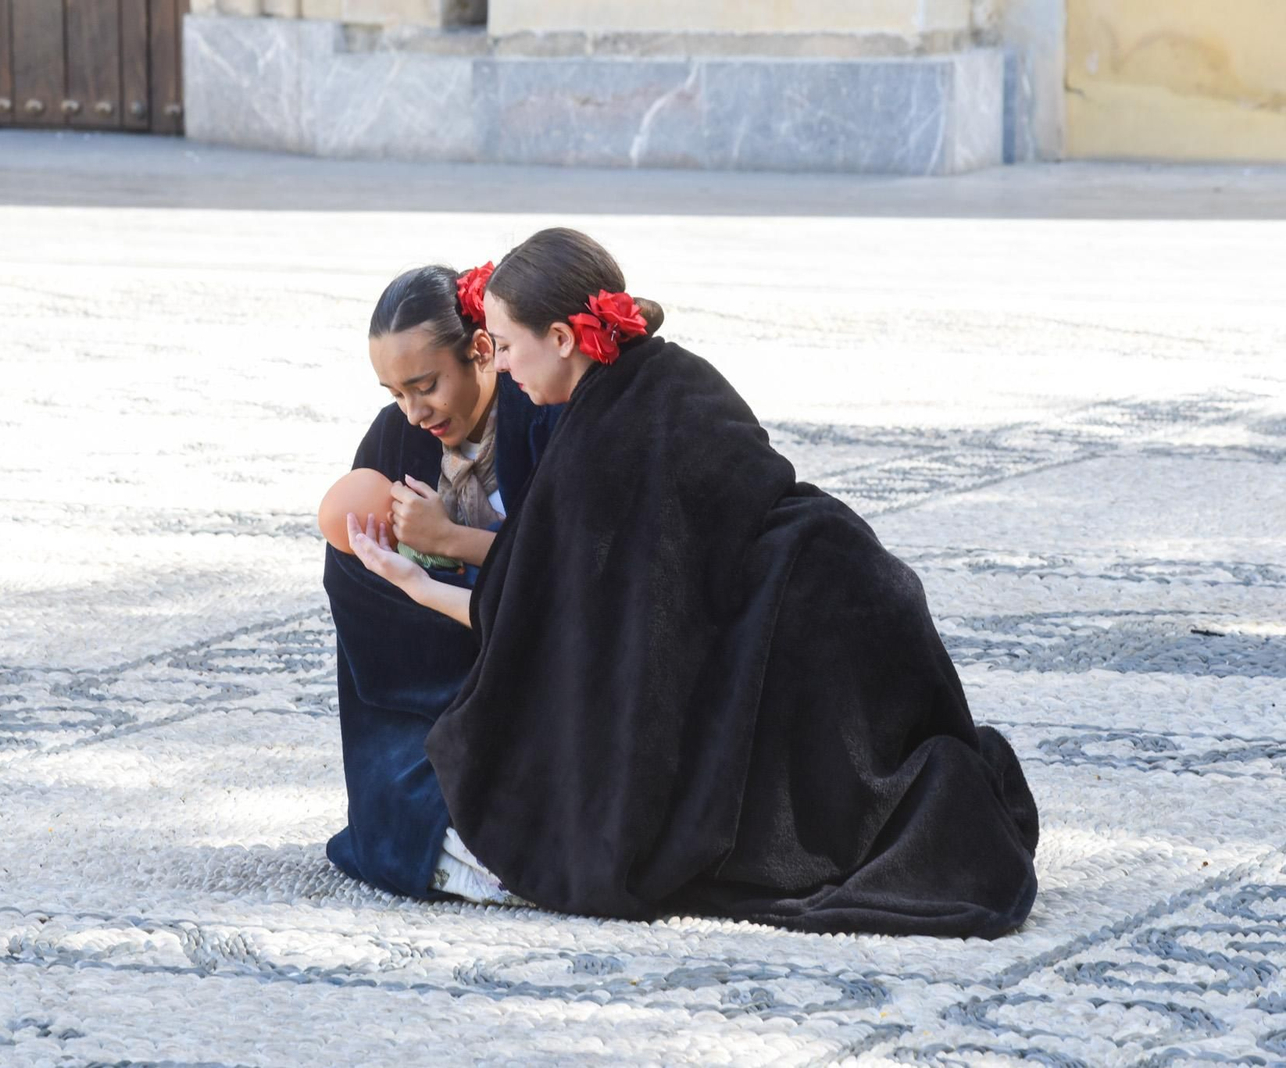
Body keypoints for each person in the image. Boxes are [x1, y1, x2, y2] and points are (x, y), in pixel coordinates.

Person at [349, 229, 1040, 938]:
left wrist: (418, 579)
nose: (500, 362)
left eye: (502, 342)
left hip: (816, 616)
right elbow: (568, 595)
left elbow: (555, 622)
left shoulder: (599, 435)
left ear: (561, 337)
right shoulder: (660, 376)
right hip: (850, 581)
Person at [324, 263, 558, 904]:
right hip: (440, 668)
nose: (412, 411)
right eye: (394, 391)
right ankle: (447, 828)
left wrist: (448, 543)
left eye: (425, 386)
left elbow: (572, 569)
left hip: (534, 655)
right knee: (349, 557)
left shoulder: (538, 413)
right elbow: (360, 574)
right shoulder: (395, 435)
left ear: (481, 351)